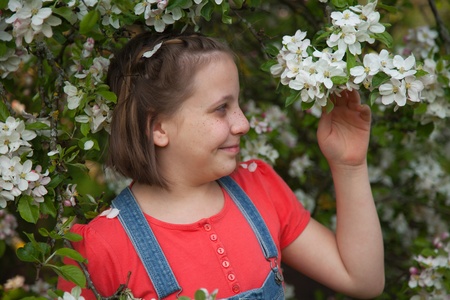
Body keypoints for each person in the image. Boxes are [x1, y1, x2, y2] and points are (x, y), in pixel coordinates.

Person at [58, 31, 384, 299]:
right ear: (157, 128)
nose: (242, 123)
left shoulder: (259, 189)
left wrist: (349, 165)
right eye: (221, 109)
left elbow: (361, 280)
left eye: (238, 104)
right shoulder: (103, 246)